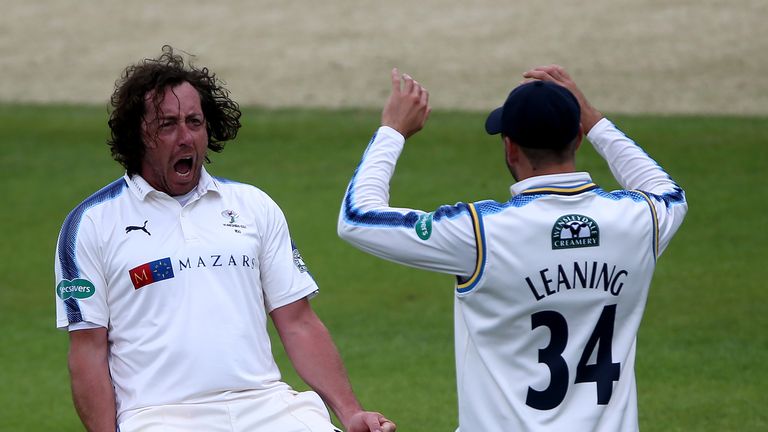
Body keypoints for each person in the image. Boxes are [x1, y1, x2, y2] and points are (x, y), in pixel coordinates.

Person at [54, 46, 396, 432]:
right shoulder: (91, 224)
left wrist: (351, 412)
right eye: (167, 124)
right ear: (139, 134)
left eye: (194, 122)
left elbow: (298, 322)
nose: (186, 138)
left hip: (267, 406)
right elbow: (87, 352)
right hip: (160, 416)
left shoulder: (253, 206)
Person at [337, 65, 687, 431]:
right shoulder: (640, 219)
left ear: (510, 146)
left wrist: (392, 132)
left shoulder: (480, 232)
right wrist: (596, 121)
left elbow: (358, 218)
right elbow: (667, 192)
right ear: (578, 139)